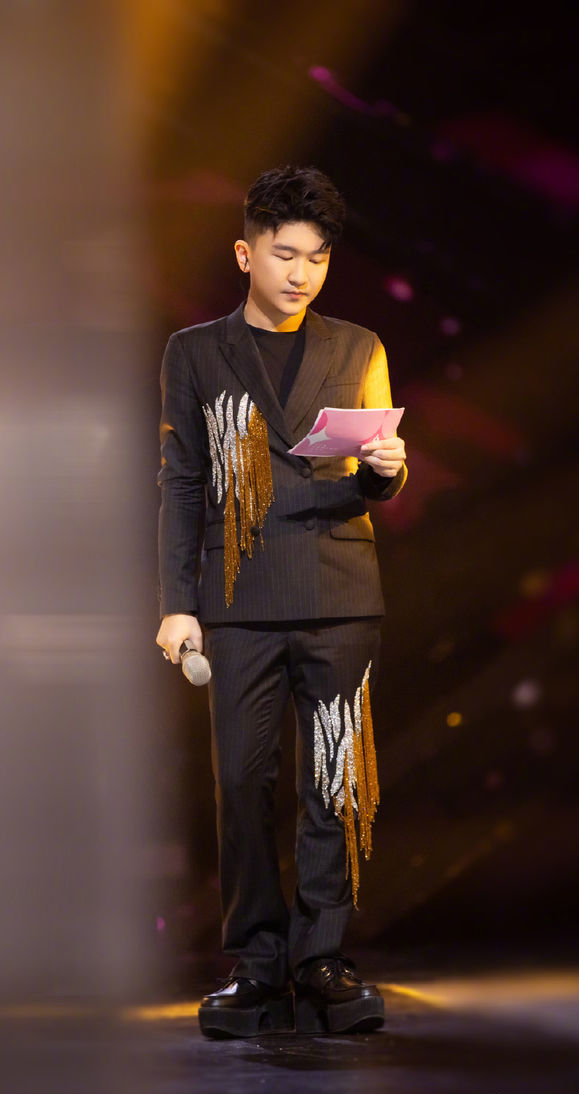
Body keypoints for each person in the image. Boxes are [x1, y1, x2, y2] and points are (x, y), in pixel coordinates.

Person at [156, 165, 407, 1038]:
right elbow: (180, 481)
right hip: (236, 596)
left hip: (339, 589)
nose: (302, 274)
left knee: (335, 779)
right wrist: (177, 601)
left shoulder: (359, 345)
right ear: (245, 253)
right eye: (285, 254)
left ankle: (322, 958)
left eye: (318, 258)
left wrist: (387, 470)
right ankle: (258, 961)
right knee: (239, 781)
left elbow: (380, 468)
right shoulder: (194, 352)